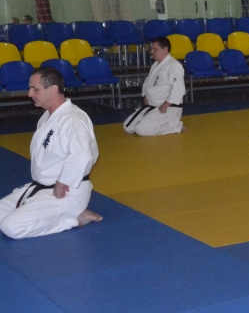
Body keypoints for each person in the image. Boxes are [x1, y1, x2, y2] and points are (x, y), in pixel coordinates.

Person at [0, 68, 101, 239]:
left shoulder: (73, 119)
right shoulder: (48, 116)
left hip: (65, 192)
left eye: (35, 89)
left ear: (53, 90)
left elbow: (83, 155)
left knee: (10, 228)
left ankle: (75, 219)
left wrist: (63, 181)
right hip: (41, 187)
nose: (29, 94)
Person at [123, 37, 186, 136]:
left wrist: (165, 105)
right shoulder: (156, 65)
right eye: (152, 49)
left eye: (155, 49)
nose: (151, 52)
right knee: (128, 127)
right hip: (152, 105)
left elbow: (178, 89)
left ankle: (175, 126)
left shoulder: (173, 65)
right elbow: (148, 82)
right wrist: (145, 95)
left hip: (167, 108)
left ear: (165, 49)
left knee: (140, 130)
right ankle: (166, 123)